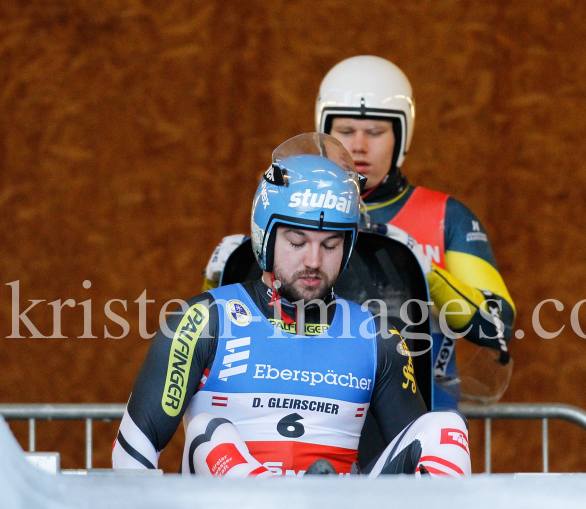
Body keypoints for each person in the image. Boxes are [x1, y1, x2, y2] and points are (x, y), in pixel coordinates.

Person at [114, 134, 471, 477]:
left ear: (347, 249)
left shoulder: (377, 337)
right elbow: (131, 454)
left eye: (330, 245)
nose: (313, 260)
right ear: (264, 237)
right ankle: (271, 500)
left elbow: (410, 456)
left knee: (446, 428)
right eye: (297, 241)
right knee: (209, 431)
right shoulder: (203, 321)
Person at [204, 56, 516, 409]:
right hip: (309, 412)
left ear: (402, 135)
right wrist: (218, 279)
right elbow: (231, 329)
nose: (359, 146)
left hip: (421, 417)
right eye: (346, 132)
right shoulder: (288, 203)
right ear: (324, 131)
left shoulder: (448, 216)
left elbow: (497, 325)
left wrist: (429, 274)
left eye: (376, 132)